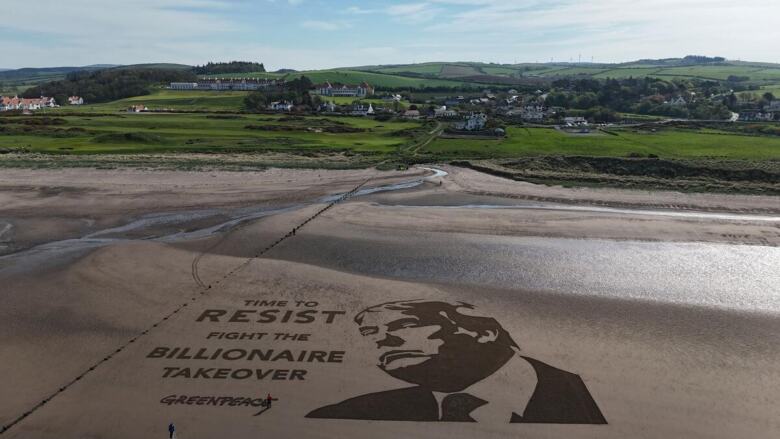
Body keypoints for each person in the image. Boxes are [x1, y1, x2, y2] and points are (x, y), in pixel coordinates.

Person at [306, 299, 606, 424]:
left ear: (485, 332)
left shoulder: (580, 392)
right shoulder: (347, 413)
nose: (381, 339)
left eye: (404, 326)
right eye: (370, 332)